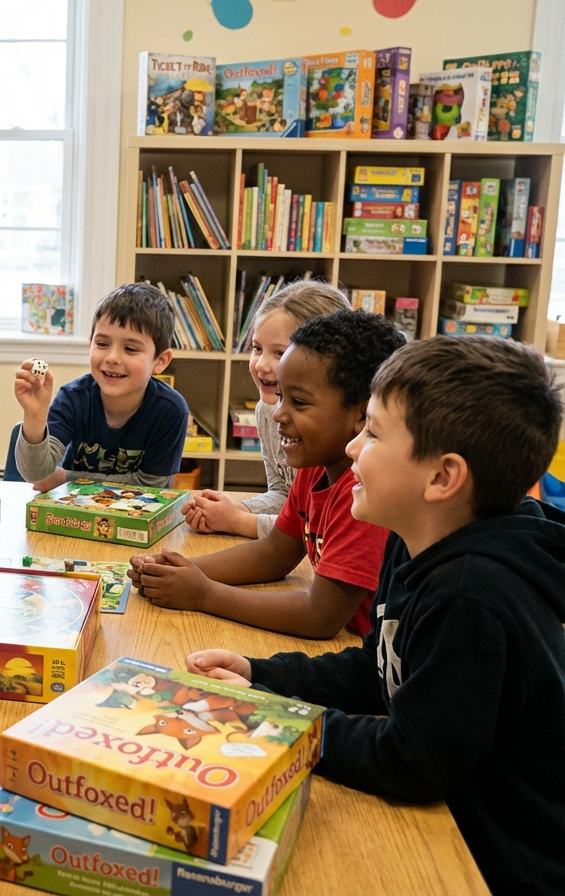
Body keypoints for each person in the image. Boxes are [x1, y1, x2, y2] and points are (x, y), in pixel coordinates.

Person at [186, 336, 565, 896]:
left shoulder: (471, 597)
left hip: (496, 865)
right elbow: (377, 669)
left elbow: (413, 761)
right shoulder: (410, 539)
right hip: (445, 824)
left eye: (374, 432)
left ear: (442, 478)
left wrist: (277, 727)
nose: (355, 447)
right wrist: (260, 676)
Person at [129, 310, 406, 638]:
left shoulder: (366, 494)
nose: (278, 414)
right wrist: (176, 570)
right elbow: (275, 553)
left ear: (361, 414)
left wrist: (203, 593)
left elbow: (320, 618)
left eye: (299, 403)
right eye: (280, 397)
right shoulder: (316, 466)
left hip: (362, 659)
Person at [184, 280, 349, 538]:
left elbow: (319, 527)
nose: (261, 364)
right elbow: (285, 494)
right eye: (257, 348)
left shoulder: (334, 431)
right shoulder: (266, 411)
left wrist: (238, 521)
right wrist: (237, 508)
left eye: (280, 353)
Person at [14, 282, 188, 491]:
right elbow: (36, 474)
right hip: (72, 512)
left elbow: (151, 486)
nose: (112, 357)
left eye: (130, 349)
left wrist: (66, 477)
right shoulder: (72, 398)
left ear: (160, 361)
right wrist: (34, 416)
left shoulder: (170, 410)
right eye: (102, 344)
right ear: (91, 344)